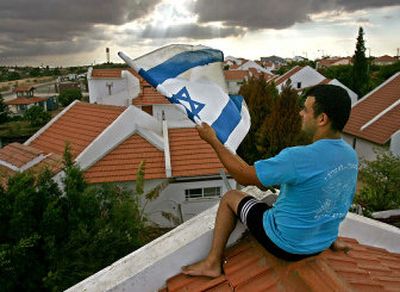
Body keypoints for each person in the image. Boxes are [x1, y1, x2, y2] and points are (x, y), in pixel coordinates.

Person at [182, 84, 358, 278]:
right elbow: (337, 197)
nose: (300, 113)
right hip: (322, 242)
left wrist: (213, 141)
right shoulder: (350, 156)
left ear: (322, 119)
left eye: (305, 110)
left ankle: (212, 262)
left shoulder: (298, 157)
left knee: (231, 197)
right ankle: (332, 238)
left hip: (287, 246)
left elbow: (242, 175)